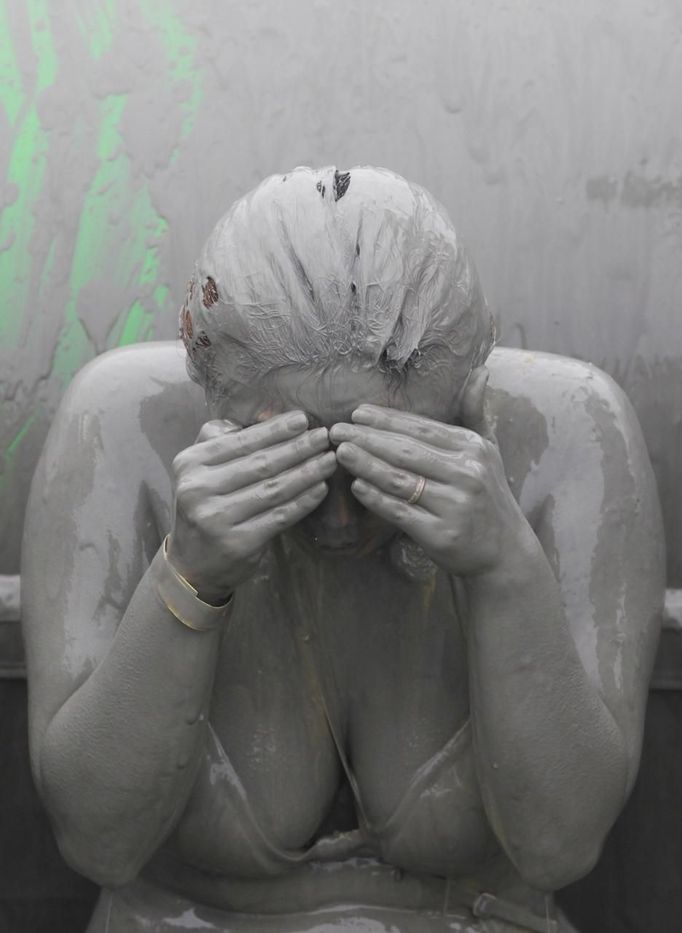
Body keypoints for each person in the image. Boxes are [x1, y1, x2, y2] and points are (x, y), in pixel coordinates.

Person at [21, 166, 664, 933]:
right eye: (289, 453)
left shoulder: (569, 435)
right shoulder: (120, 427)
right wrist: (186, 578)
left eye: (377, 457)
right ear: (213, 400)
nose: (335, 518)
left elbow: (560, 845)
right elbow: (99, 841)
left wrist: (505, 568)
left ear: (462, 406)